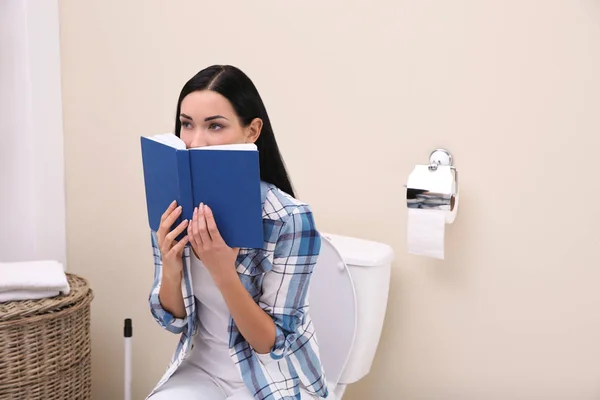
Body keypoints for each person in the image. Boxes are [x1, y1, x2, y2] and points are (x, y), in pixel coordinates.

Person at [146, 65, 329, 400]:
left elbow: (271, 344)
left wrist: (222, 272)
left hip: (275, 375)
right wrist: (171, 268)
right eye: (187, 124)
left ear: (252, 130)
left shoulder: (289, 219)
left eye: (214, 126)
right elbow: (171, 321)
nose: (195, 142)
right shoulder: (174, 201)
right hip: (202, 369)